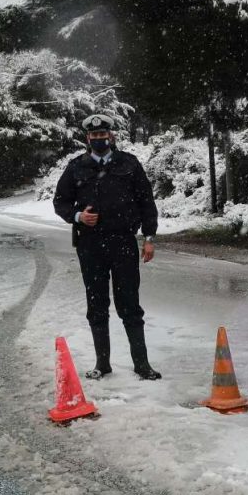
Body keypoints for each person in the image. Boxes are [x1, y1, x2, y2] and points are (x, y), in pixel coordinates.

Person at [53, 114, 162, 381]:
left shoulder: (129, 164)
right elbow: (61, 202)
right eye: (94, 137)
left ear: (111, 136)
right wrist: (78, 217)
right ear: (87, 139)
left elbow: (146, 201)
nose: (99, 140)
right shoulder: (76, 167)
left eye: (103, 136)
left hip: (123, 243)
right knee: (97, 304)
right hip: (90, 246)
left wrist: (149, 237)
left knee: (130, 305)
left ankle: (142, 364)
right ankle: (103, 364)